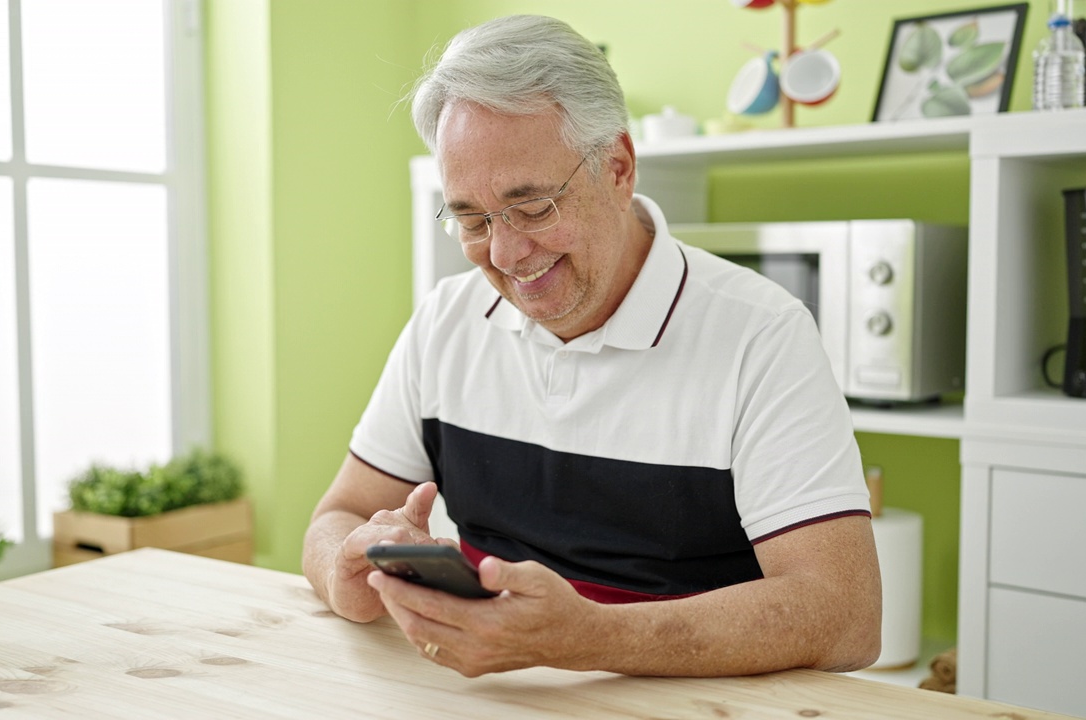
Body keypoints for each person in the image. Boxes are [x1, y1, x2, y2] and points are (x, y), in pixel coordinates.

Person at [302, 14, 881, 678]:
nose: (505, 252)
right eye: (470, 217)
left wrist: (589, 639)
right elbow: (337, 515)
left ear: (619, 167)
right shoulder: (446, 322)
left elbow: (845, 616)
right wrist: (346, 567)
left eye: (535, 206)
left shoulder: (762, 335)